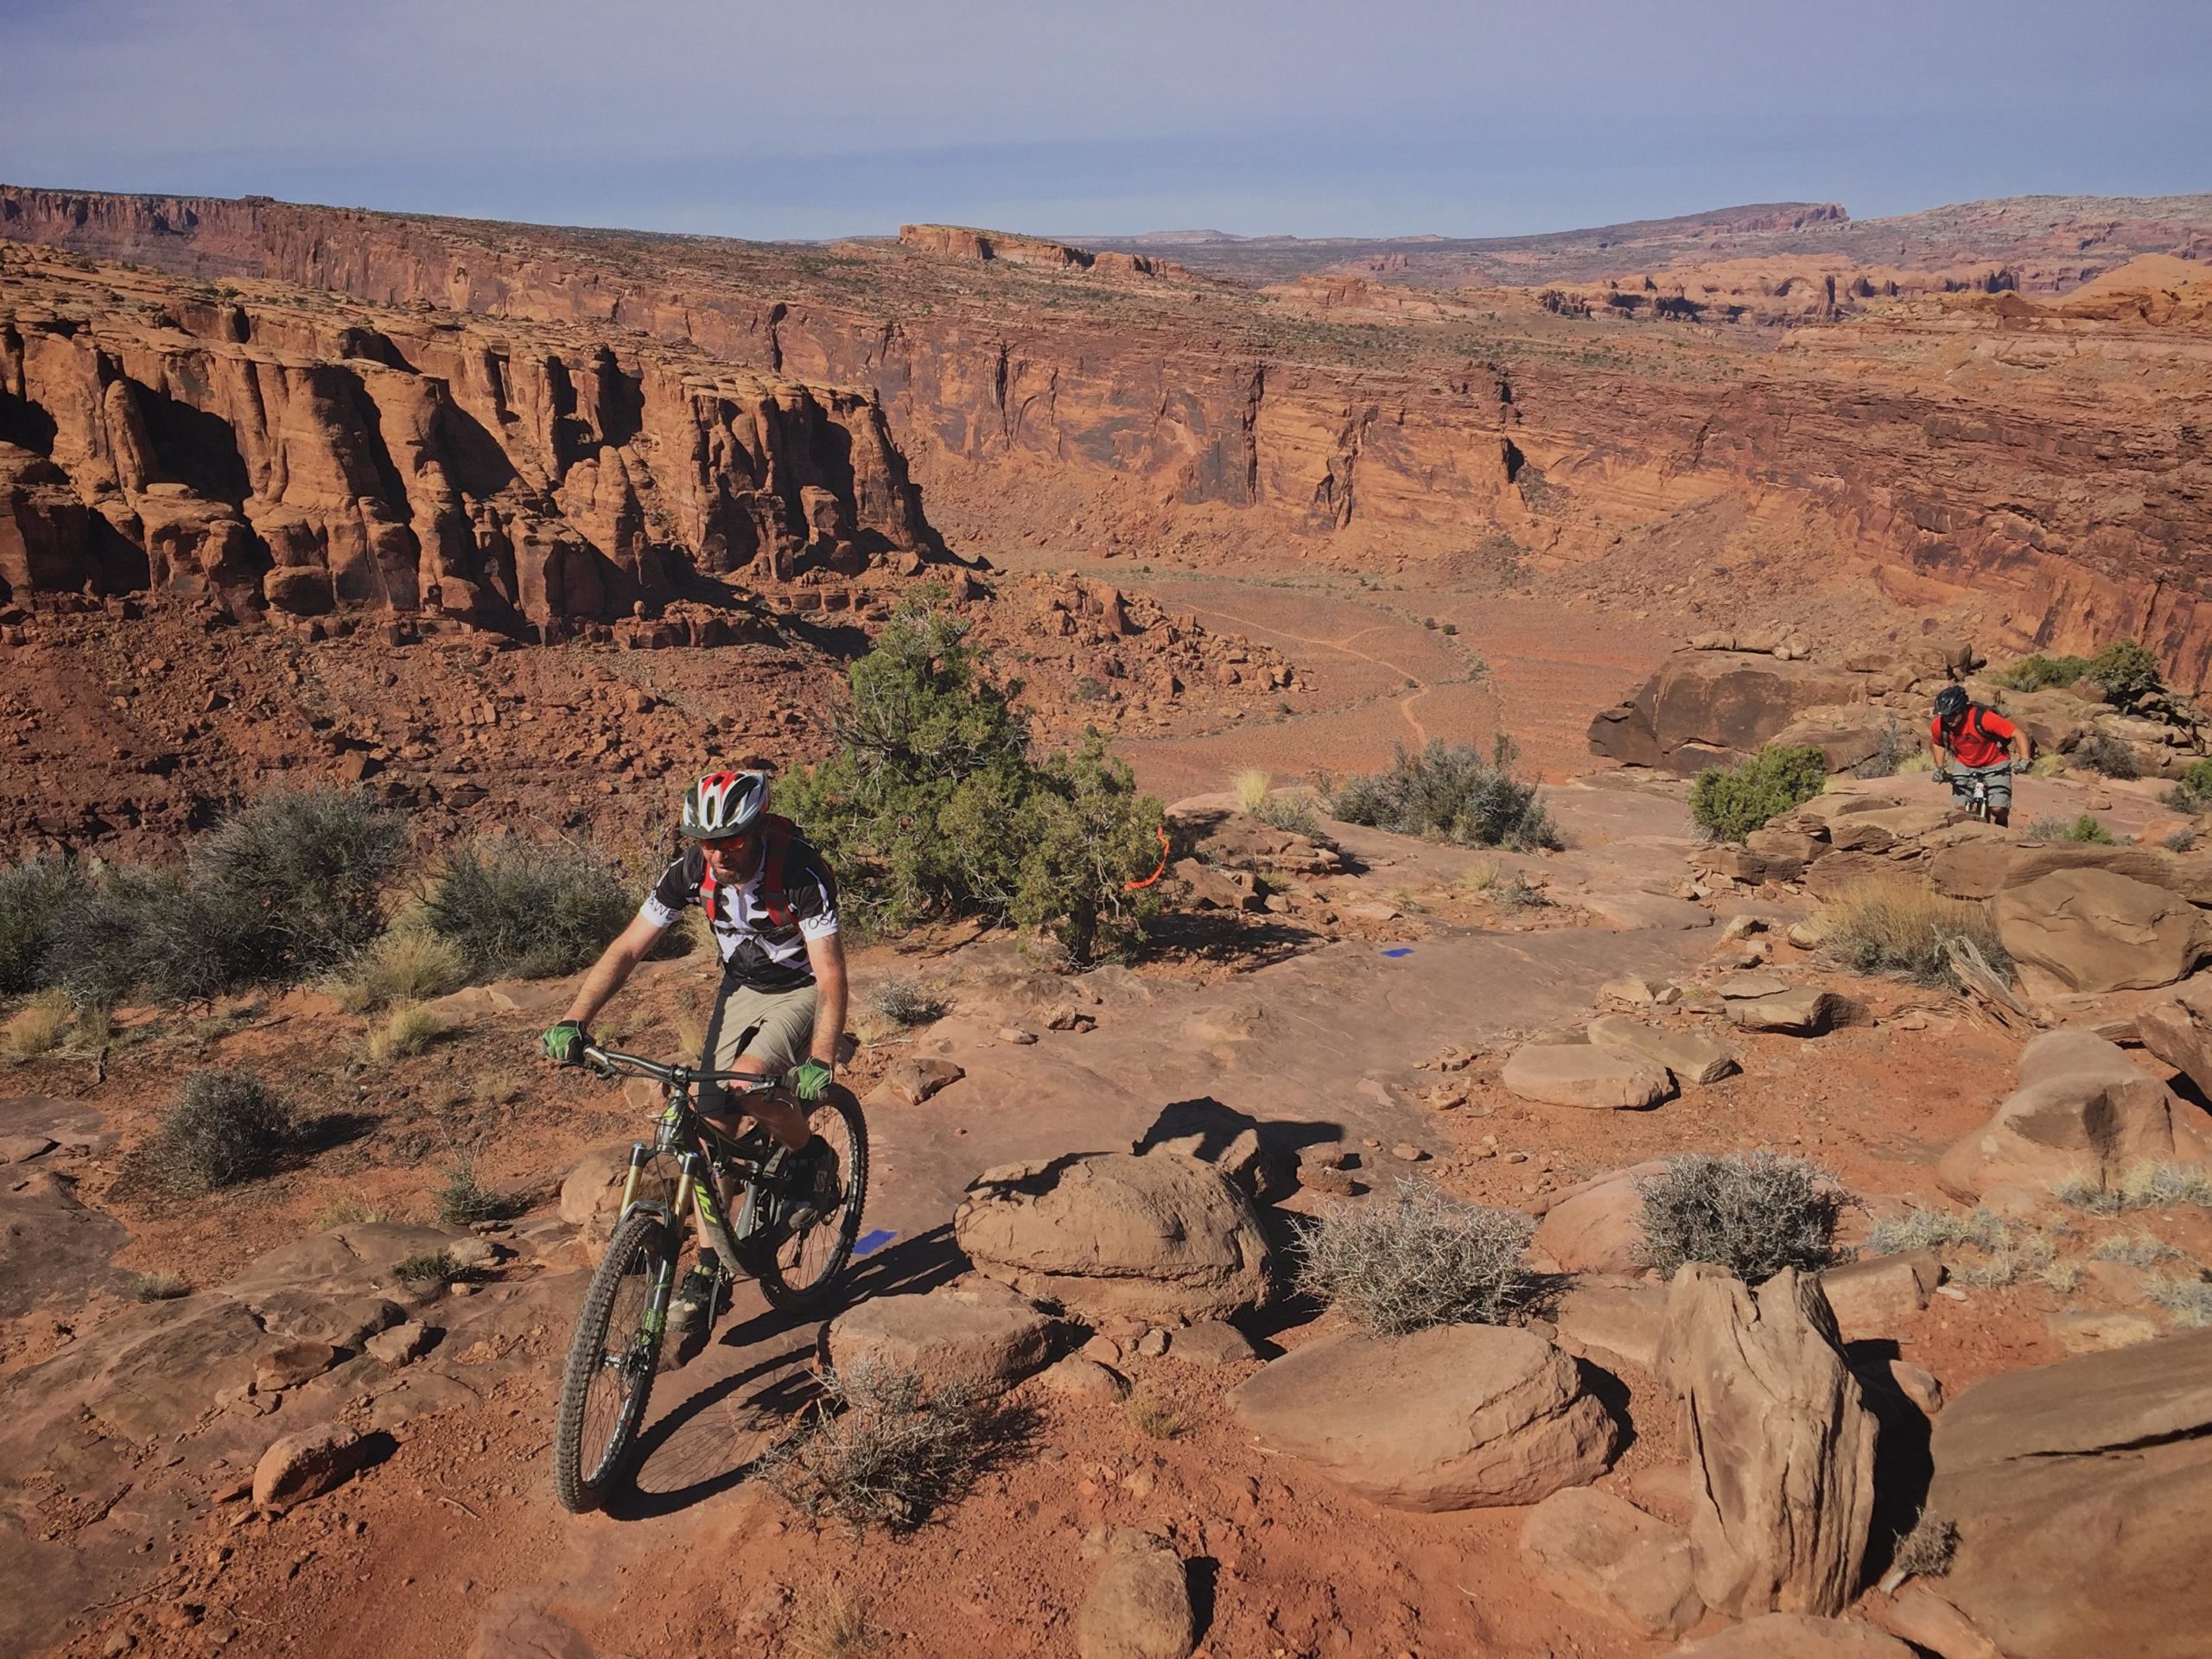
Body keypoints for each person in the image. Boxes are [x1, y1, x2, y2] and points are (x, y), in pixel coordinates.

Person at [539, 769, 848, 1346]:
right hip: (742, 986)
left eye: (731, 839)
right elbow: (629, 947)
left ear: (754, 830)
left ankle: (810, 1156)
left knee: (748, 1082)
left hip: (802, 986)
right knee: (709, 1129)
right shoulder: (691, 871)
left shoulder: (801, 872)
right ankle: (709, 1268)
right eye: (707, 841)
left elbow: (831, 972)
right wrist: (574, 1019)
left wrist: (821, 1058)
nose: (719, 852)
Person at [1929, 683, 2029, 826]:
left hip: (1995, 762)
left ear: (1962, 710)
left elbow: (2018, 733)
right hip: (1965, 764)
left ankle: (2001, 823)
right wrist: (1939, 767)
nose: (1948, 720)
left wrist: (2024, 759)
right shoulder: (1940, 725)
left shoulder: (1983, 718)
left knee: (1998, 809)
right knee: (1960, 809)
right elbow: (1938, 743)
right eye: (1945, 716)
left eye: (1952, 715)